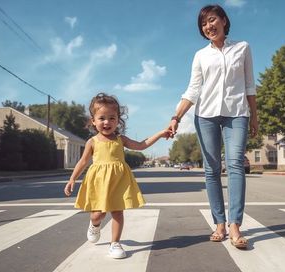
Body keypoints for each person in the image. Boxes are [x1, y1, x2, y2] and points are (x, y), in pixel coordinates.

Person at [167, 4, 258, 249]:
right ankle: (219, 222)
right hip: (205, 115)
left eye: (212, 20)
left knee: (236, 163)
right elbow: (193, 89)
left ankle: (235, 225)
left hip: (237, 113)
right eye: (204, 24)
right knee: (211, 169)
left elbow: (250, 85)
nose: (209, 26)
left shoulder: (242, 48)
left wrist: (255, 116)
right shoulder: (200, 55)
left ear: (224, 21)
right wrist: (176, 116)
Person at [64, 92, 170, 259]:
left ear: (118, 120)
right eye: (102, 118)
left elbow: (142, 145)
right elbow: (83, 162)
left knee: (117, 212)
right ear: (93, 121)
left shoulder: (121, 139)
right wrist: (72, 180)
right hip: (99, 182)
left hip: (118, 181)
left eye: (112, 118)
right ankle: (95, 224)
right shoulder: (92, 142)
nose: (107, 122)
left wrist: (160, 133)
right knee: (98, 213)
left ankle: (115, 243)